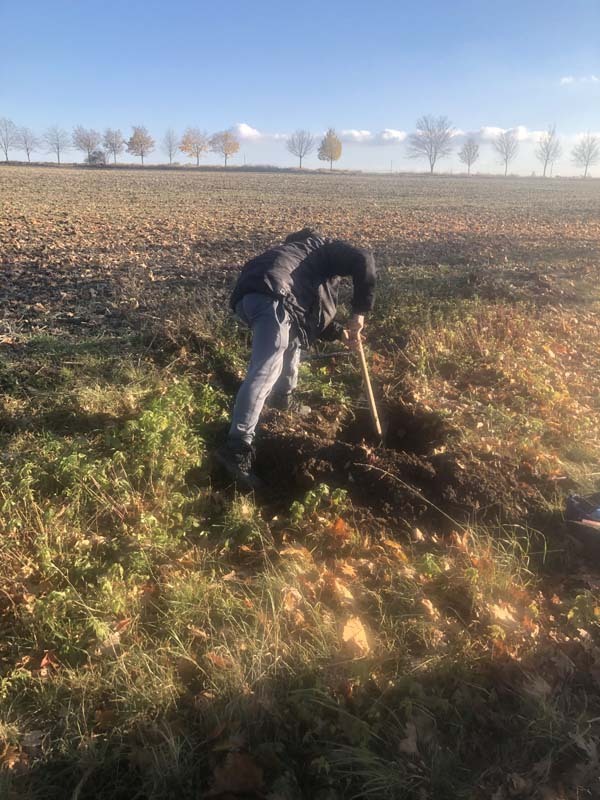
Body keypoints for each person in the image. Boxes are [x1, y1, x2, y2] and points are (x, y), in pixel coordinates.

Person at [215, 227, 376, 489]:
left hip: (250, 298)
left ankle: (283, 399)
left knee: (292, 339)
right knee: (266, 369)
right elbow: (363, 258)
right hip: (273, 298)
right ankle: (236, 447)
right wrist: (359, 313)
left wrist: (340, 333)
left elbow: (310, 317)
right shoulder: (323, 248)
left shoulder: (296, 261)